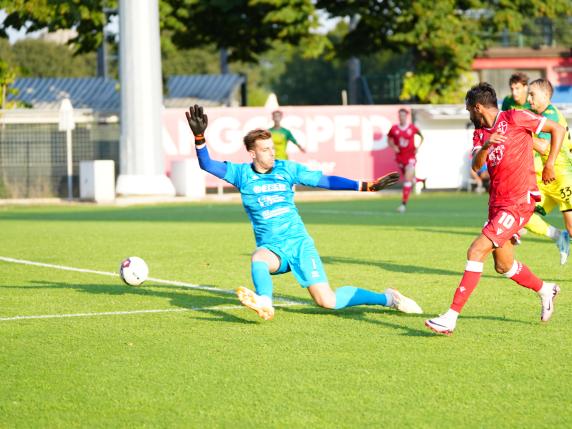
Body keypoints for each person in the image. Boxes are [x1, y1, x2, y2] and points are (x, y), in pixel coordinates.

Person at [185, 105, 423, 320]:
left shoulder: (287, 169)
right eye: (265, 149)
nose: (272, 153)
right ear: (252, 153)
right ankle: (265, 302)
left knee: (327, 301)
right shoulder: (240, 174)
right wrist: (199, 137)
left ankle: (390, 298)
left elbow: (325, 180)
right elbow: (207, 164)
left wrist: (364, 185)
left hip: (299, 244)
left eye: (272, 148)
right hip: (273, 248)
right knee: (258, 258)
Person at [425, 83, 565, 336]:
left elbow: (558, 129)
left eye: (469, 109)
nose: (469, 114)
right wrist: (488, 145)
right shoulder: (480, 134)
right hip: (497, 203)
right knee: (504, 266)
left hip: (519, 201)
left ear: (477, 107)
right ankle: (546, 289)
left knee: (476, 250)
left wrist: (550, 164)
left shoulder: (515, 117)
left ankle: (450, 317)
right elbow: (477, 166)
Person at [524, 78, 572, 264]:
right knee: (522, 213)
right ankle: (557, 235)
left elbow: (543, 146)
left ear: (545, 95)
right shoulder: (538, 115)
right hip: (547, 178)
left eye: (532, 94)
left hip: (563, 177)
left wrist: (519, 135)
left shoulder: (550, 115)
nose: (529, 98)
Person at [387, 108, 425, 213]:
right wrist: (393, 146)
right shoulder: (394, 129)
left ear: (406, 116)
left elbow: (421, 136)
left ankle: (403, 204)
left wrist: (418, 147)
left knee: (407, 179)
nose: (401, 117)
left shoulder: (412, 128)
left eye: (403, 115)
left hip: (410, 157)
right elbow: (389, 139)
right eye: (400, 115)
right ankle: (420, 181)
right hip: (400, 157)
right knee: (409, 178)